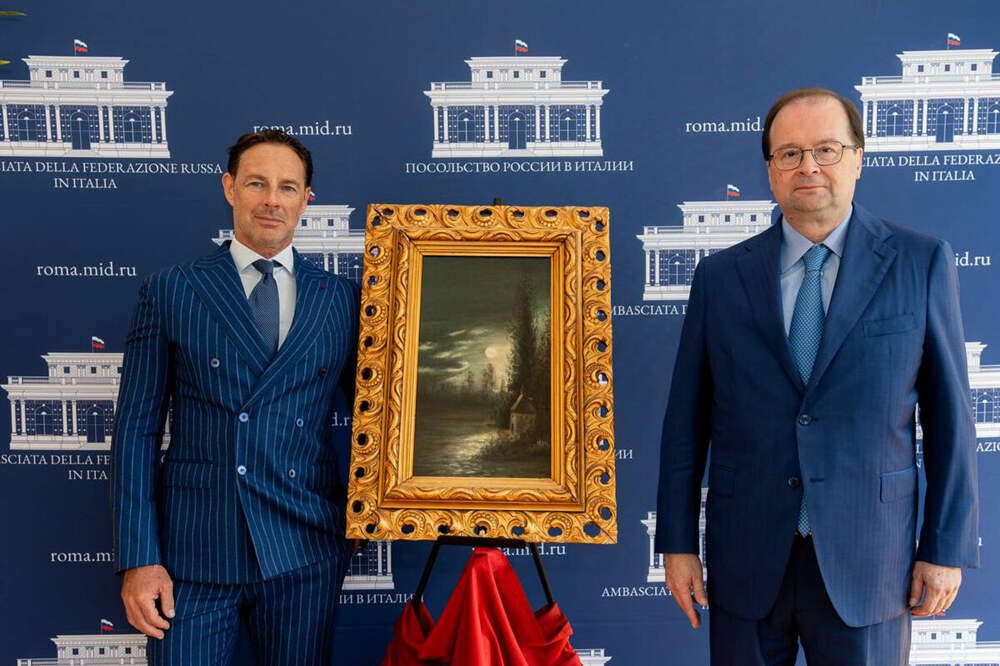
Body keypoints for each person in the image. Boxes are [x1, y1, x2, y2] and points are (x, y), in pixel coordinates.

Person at [654, 88, 979, 665]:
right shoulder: (719, 278)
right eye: (790, 153)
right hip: (747, 558)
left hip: (870, 561)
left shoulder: (920, 262)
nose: (808, 166)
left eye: (827, 149)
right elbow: (686, 424)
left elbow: (951, 419)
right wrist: (677, 544)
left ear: (858, 159)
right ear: (770, 170)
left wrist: (945, 546)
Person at [111, 129, 361, 665]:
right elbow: (135, 430)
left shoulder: (343, 298)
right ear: (229, 188)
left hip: (305, 547)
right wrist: (138, 557)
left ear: (305, 199)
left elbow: (381, 420)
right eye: (256, 183)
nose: (272, 200)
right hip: (192, 552)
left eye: (287, 187)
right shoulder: (173, 289)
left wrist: (369, 514)